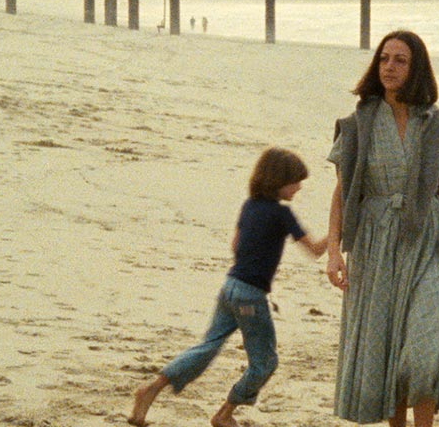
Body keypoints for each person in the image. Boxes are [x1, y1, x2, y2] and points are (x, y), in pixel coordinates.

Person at [325, 30, 439, 427]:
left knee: (423, 357)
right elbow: (342, 193)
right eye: (384, 59)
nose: (389, 67)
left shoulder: (438, 126)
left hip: (429, 244)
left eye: (400, 60)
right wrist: (333, 254)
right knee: (387, 354)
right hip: (375, 247)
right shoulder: (357, 125)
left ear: (417, 69)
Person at [129, 147, 328, 427]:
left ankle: (152, 389)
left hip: (230, 285)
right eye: (295, 182)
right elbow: (316, 250)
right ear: (278, 181)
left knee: (207, 346)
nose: (299, 187)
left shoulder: (249, 206)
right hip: (251, 295)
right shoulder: (283, 215)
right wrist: (340, 229)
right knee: (265, 362)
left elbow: (235, 245)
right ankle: (225, 414)